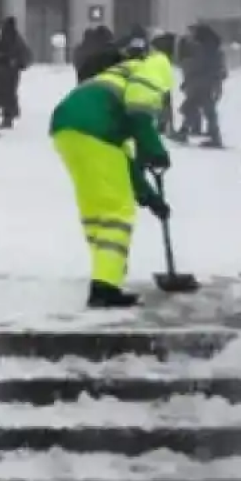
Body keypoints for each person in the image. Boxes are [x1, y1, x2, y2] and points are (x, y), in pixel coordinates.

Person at [50, 39, 176, 308]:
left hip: (66, 126)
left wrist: (149, 198)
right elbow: (140, 111)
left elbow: (124, 162)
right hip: (96, 128)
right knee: (117, 213)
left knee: (97, 211)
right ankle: (105, 288)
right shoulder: (156, 66)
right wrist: (154, 148)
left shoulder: (116, 77)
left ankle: (105, 275)